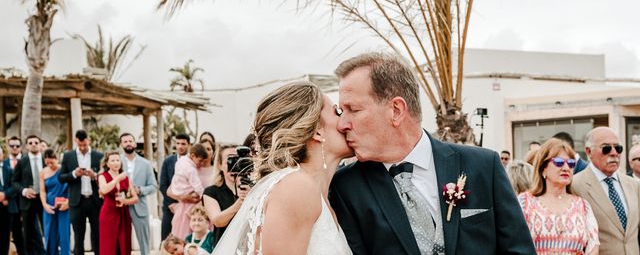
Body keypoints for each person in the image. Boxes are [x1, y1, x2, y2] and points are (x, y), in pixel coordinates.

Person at [329, 52, 536, 254]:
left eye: (353, 110)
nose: (342, 124)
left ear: (396, 110)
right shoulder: (346, 188)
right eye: (341, 112)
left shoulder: (483, 166)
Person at [212, 81, 352, 254]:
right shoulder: (297, 188)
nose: (347, 121)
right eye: (338, 112)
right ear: (317, 130)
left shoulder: (316, 193)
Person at [518, 138, 599, 254]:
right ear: (543, 168)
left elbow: (593, 246)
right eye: (559, 162)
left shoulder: (583, 206)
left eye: (571, 163)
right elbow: (514, 244)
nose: (566, 168)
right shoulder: (525, 202)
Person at [573, 127, 640, 255]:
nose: (614, 153)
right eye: (606, 148)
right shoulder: (575, 185)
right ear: (588, 151)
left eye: (618, 148)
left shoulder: (633, 185)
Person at [59, 130, 103, 255]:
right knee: (78, 237)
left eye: (84, 144)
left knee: (97, 234)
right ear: (75, 141)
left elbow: (105, 176)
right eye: (80, 145)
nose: (83, 147)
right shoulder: (68, 156)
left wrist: (94, 176)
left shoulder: (98, 156)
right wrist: (74, 174)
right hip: (76, 201)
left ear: (88, 140)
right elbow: (61, 178)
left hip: (95, 201)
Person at [120, 133, 157, 255]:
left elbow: (153, 186)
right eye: (125, 141)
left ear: (135, 143)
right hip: (120, 207)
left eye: (130, 141)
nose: (128, 143)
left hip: (140, 207)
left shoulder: (146, 164)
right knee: (121, 241)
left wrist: (140, 190)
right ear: (121, 145)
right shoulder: (116, 162)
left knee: (144, 242)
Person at [202, 144, 247, 242]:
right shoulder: (211, 192)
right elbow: (217, 221)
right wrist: (239, 203)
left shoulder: (252, 188)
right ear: (220, 165)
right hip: (224, 245)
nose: (235, 165)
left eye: (238, 160)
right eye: (230, 160)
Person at [98, 151, 139, 255]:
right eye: (112, 160)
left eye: (117, 160)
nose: (116, 163)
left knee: (124, 245)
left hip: (123, 214)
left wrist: (125, 201)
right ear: (107, 163)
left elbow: (135, 198)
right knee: (109, 245)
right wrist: (117, 179)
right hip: (108, 214)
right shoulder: (102, 176)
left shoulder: (125, 177)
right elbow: (103, 190)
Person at [11, 134, 45, 255]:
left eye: (36, 142)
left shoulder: (46, 159)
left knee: (47, 229)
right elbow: (14, 181)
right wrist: (24, 191)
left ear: (40, 144)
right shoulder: (22, 161)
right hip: (27, 201)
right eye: (30, 143)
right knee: (28, 233)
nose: (33, 145)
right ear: (26, 146)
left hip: (44, 200)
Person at [169, 143, 208, 238]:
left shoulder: (181, 161)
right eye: (200, 161)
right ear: (193, 156)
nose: (201, 163)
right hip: (189, 202)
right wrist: (205, 198)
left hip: (181, 194)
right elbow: (198, 187)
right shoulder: (191, 169)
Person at [39, 149, 70, 255]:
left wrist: (68, 202)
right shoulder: (43, 172)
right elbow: (42, 191)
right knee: (50, 234)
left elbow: (72, 188)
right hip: (49, 206)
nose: (49, 165)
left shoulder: (64, 170)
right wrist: (44, 205)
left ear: (56, 159)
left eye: (51, 162)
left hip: (64, 205)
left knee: (64, 234)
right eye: (47, 163)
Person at [160, 133, 190, 239]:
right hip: (169, 207)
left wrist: (182, 203)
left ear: (189, 145)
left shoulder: (192, 162)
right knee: (166, 238)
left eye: (183, 144)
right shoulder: (168, 161)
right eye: (177, 143)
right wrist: (172, 204)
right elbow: (163, 186)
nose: (180, 146)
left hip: (188, 208)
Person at [2, 136, 25, 255]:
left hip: (24, 203)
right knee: (7, 234)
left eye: (17, 145)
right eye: (12, 146)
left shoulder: (26, 161)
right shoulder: (4, 163)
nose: (15, 148)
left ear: (21, 147)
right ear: (8, 147)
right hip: (8, 205)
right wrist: (4, 196)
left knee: (22, 235)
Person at [1, 145, 11, 255]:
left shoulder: (8, 169)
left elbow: (14, 185)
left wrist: (5, 195)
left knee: (5, 234)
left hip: (6, 206)